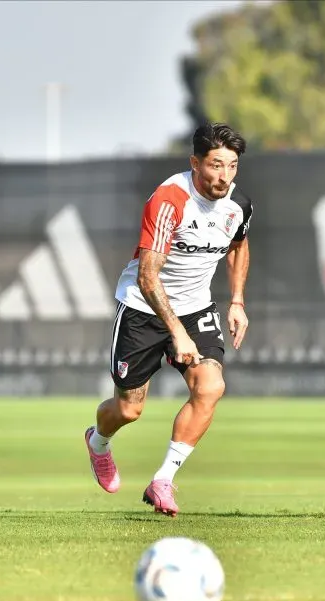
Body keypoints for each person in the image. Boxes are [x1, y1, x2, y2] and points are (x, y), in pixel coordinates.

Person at [83, 123, 253, 517]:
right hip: (143, 310)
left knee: (210, 387)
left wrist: (237, 301)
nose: (224, 176)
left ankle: (163, 480)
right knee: (129, 410)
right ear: (195, 163)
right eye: (215, 165)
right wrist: (176, 333)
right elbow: (147, 276)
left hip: (196, 308)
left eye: (231, 166)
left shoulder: (238, 204)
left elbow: (239, 245)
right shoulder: (169, 200)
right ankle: (98, 443)